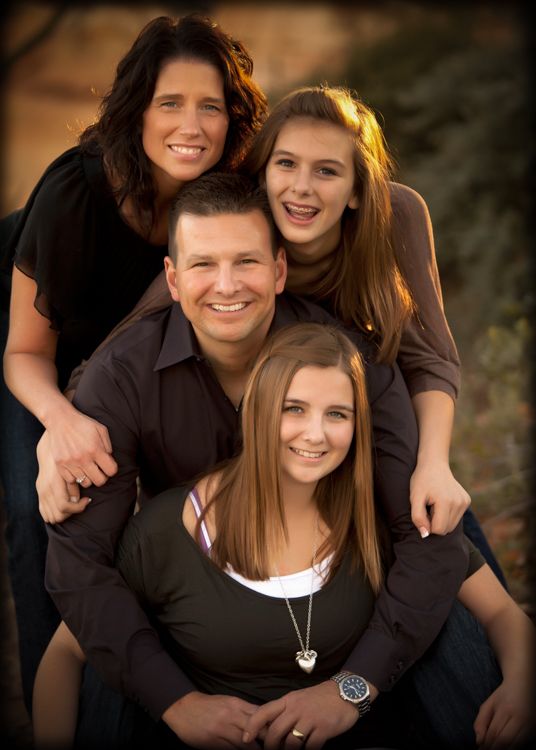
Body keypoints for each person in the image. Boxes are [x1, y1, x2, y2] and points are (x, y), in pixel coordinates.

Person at [43, 173, 468, 745]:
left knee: (450, 614)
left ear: (279, 270)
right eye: (201, 265)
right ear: (171, 278)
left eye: (246, 261)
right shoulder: (121, 375)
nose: (225, 285)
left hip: (339, 575)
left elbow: (425, 534)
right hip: (196, 575)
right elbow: (80, 565)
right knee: (109, 666)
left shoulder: (344, 359)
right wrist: (175, 703)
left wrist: (354, 686)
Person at [62, 84, 501, 578]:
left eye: (327, 171)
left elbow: (431, 358)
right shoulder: (239, 240)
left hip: (364, 408)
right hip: (263, 420)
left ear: (357, 188)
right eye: (286, 164)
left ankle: (502, 624)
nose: (301, 188)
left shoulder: (394, 217)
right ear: (263, 171)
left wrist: (435, 464)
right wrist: (59, 432)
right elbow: (121, 348)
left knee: (434, 516)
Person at [34, 324, 534, 749]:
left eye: (337, 414)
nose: (315, 434)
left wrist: (520, 686)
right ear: (256, 410)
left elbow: (501, 613)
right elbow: (64, 654)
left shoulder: (381, 515)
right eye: (293, 409)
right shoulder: (173, 528)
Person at [0, 13, 266, 711]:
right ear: (136, 111)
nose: (193, 125)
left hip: (117, 356)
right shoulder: (76, 194)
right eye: (169, 103)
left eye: (211, 105)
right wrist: (58, 423)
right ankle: (52, 699)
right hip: (34, 349)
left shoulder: (234, 181)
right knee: (47, 506)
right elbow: (26, 351)